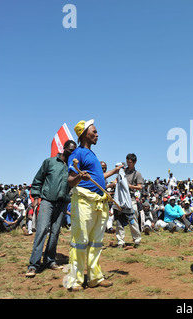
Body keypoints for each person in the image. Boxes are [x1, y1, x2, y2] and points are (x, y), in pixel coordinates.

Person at [66, 119, 122, 291]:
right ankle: (74, 281)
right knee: (80, 241)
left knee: (96, 242)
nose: (97, 134)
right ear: (84, 134)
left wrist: (114, 171)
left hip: (99, 202)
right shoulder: (77, 153)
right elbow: (70, 181)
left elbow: (98, 177)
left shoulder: (94, 156)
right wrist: (79, 177)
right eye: (94, 131)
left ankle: (94, 278)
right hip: (84, 201)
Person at [25, 140, 77, 278]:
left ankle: (50, 260)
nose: (72, 152)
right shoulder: (49, 162)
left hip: (63, 203)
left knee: (55, 232)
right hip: (47, 201)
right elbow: (38, 180)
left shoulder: (72, 168)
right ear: (64, 148)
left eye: (74, 150)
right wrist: (36, 196)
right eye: (70, 149)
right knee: (41, 230)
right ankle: (33, 265)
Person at [114, 154, 143, 248]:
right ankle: (120, 241)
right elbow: (116, 180)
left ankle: (137, 240)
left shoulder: (137, 174)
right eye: (127, 162)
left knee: (133, 219)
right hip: (120, 199)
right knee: (119, 221)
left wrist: (129, 186)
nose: (128, 164)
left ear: (135, 162)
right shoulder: (122, 171)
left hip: (131, 199)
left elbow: (140, 187)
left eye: (130, 162)